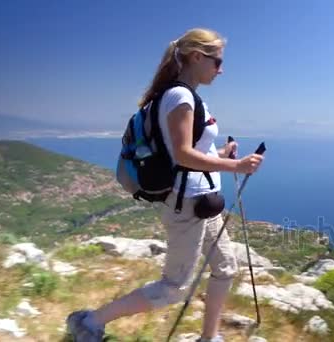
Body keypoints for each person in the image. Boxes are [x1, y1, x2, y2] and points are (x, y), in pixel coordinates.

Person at [66, 28, 264, 342]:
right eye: (217, 62)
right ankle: (88, 322)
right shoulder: (180, 96)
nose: (221, 69)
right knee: (174, 288)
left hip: (203, 199)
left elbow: (187, 148)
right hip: (187, 205)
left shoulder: (189, 96)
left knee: (225, 268)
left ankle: (209, 338)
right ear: (197, 57)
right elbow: (184, 155)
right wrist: (235, 166)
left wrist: (222, 153)